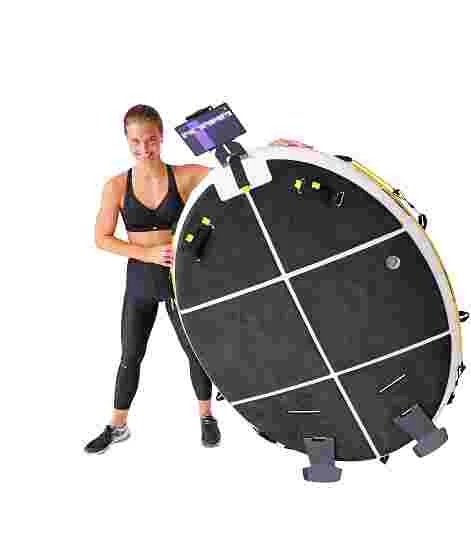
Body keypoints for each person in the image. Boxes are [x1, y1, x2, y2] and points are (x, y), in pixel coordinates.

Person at [85, 104, 313, 455]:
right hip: (141, 280)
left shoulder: (185, 176)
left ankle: (207, 417)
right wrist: (147, 253)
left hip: (183, 278)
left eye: (151, 140)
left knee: (197, 352)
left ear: (161, 137)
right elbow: (102, 239)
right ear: (127, 141)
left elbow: (234, 172)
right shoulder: (116, 185)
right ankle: (117, 426)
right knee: (130, 355)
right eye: (136, 142)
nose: (144, 148)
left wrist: (274, 148)